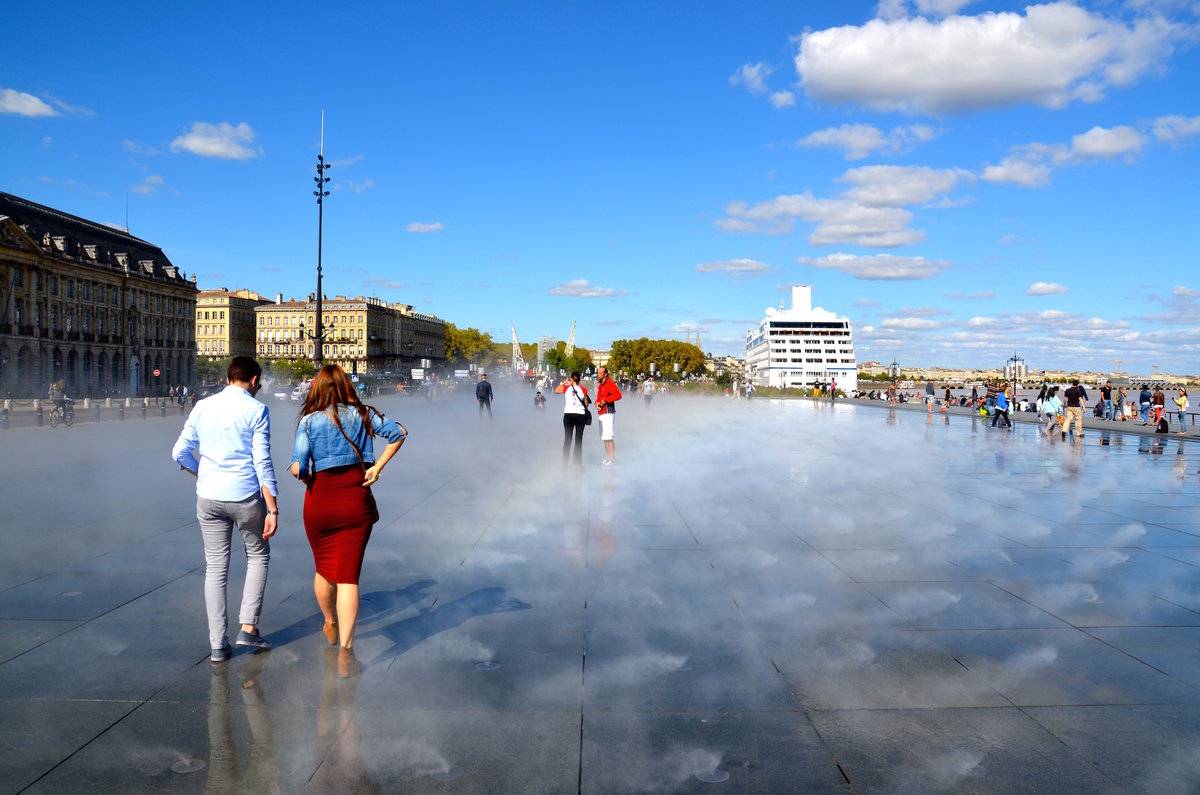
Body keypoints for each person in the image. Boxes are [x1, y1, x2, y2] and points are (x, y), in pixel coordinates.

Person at [289, 364, 406, 670]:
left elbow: (298, 465)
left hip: (320, 501)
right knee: (348, 576)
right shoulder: (364, 413)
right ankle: (346, 652)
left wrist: (303, 475)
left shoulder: (308, 421)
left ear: (316, 389)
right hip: (355, 496)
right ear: (346, 386)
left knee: (324, 568)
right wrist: (376, 467)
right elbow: (399, 433)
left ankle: (329, 621)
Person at [171, 356, 279, 663]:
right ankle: (248, 627)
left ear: (228, 377)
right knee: (258, 555)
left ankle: (218, 646)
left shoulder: (203, 406)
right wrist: (273, 508)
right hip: (245, 496)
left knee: (216, 568)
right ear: (255, 380)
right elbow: (262, 462)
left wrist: (200, 472)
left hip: (208, 496)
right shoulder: (257, 410)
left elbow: (179, 452)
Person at [555, 371, 590, 467]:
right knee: (578, 440)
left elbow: (556, 390)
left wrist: (564, 382)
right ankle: (577, 464)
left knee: (567, 439)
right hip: (580, 415)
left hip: (568, 415)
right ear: (579, 379)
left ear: (571, 378)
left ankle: (564, 463)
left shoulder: (566, 388)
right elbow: (586, 404)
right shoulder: (584, 389)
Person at [594, 366, 622, 468]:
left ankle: (612, 459)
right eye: (598, 373)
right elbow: (598, 398)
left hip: (608, 413)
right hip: (601, 413)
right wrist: (596, 403)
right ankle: (607, 457)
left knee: (609, 436)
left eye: (600, 373)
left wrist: (606, 399)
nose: (598, 375)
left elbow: (618, 395)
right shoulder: (600, 384)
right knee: (604, 437)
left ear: (605, 374)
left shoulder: (609, 383)